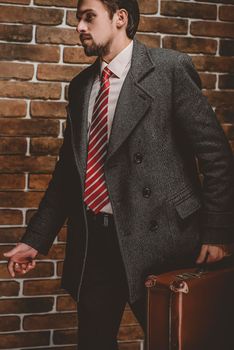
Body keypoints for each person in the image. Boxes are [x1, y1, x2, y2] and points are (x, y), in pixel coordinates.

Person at [4, 0, 234, 349]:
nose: (79, 27)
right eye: (77, 19)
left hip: (163, 241)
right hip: (96, 242)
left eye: (88, 17)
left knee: (177, 342)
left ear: (120, 18)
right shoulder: (81, 86)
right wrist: (35, 239)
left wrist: (217, 233)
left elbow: (217, 157)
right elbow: (70, 173)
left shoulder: (168, 70)